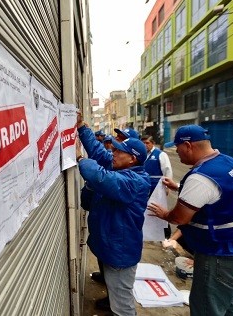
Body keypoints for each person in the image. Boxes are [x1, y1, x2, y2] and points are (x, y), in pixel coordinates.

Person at [147, 125, 233, 316]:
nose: (177, 153)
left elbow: (180, 216)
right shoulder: (228, 162)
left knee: (206, 309)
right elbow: (216, 192)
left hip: (220, 256)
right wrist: (178, 186)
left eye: (178, 147)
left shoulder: (201, 178)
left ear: (188, 145)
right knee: (225, 304)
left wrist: (165, 214)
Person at [76, 113, 150, 316]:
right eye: (115, 149)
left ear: (132, 159)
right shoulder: (122, 166)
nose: (113, 152)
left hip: (120, 250)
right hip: (110, 245)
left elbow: (98, 176)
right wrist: (82, 127)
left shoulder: (136, 182)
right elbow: (100, 153)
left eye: (118, 151)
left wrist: (80, 159)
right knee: (115, 294)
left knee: (122, 306)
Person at [141, 134, 173, 238]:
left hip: (157, 186)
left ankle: (166, 233)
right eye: (143, 143)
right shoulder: (141, 155)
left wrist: (168, 187)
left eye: (147, 143)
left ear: (153, 143)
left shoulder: (160, 154)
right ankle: (148, 230)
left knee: (158, 208)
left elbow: (167, 170)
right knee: (145, 208)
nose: (145, 145)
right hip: (144, 186)